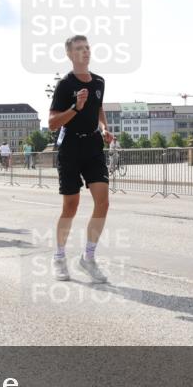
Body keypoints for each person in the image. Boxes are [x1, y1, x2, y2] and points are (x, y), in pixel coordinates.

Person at [48, 35, 114, 283]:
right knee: (71, 206)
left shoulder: (99, 81)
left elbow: (98, 109)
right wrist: (75, 108)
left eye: (87, 47)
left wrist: (104, 128)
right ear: (69, 54)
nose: (85, 52)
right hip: (70, 147)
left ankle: (88, 258)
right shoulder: (65, 85)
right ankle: (59, 257)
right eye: (79, 49)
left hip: (93, 146)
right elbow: (53, 123)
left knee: (103, 202)